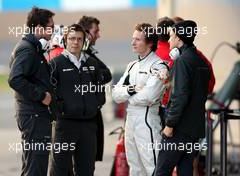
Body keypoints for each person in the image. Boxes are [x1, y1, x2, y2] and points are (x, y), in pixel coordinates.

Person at [155, 20, 211, 176]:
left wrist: (170, 125)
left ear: (179, 38)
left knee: (162, 171)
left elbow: (181, 96)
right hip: (194, 130)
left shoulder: (182, 61)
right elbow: (195, 93)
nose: (168, 40)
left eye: (171, 36)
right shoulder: (202, 62)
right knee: (186, 171)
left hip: (178, 129)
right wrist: (169, 82)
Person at [112, 23, 169, 176]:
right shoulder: (132, 66)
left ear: (150, 43)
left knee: (153, 167)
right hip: (130, 119)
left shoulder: (159, 65)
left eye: (138, 39)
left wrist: (128, 96)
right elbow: (116, 95)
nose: (133, 42)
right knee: (135, 168)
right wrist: (131, 89)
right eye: (133, 38)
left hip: (147, 118)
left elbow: (149, 96)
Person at [8, 7, 55, 176]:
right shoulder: (27, 49)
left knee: (33, 166)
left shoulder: (33, 49)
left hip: (36, 116)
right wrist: (41, 95)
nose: (53, 30)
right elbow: (15, 79)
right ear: (38, 27)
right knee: (36, 168)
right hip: (33, 116)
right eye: (50, 26)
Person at [50, 24, 101, 176]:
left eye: (79, 39)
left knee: (86, 171)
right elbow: (49, 92)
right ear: (65, 40)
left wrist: (95, 104)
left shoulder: (92, 63)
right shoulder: (55, 64)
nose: (76, 42)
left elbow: (99, 90)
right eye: (72, 38)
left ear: (84, 41)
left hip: (88, 126)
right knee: (60, 171)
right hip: (65, 126)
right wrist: (61, 109)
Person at [78, 15, 112, 162]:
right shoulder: (78, 54)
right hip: (79, 116)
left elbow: (107, 74)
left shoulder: (88, 54)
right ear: (86, 32)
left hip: (90, 112)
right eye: (96, 31)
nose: (99, 35)